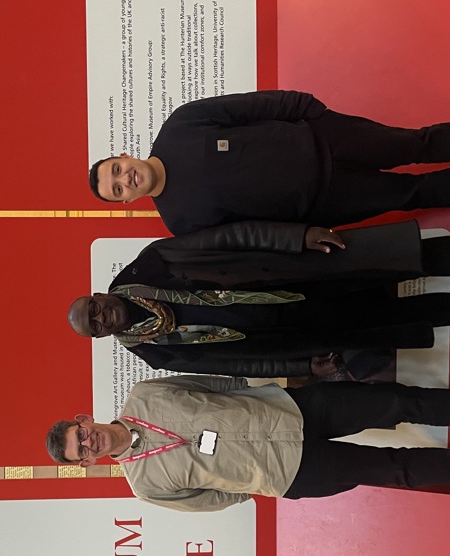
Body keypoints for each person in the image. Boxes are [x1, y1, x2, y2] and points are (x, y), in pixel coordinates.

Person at [68, 220, 450, 377]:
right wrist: (302, 365)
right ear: (102, 337)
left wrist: (294, 237)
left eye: (94, 309)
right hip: (297, 332)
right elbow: (240, 365)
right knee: (397, 317)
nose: (103, 318)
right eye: (97, 327)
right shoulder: (153, 352)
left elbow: (229, 238)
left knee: (401, 262)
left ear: (98, 293)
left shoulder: (152, 264)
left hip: (300, 275)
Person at [46, 376, 450, 510]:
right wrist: (253, 476)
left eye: (79, 434)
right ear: (88, 463)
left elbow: (214, 384)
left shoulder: (144, 394)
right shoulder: (145, 486)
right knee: (397, 469)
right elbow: (216, 499)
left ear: (84, 419)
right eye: (81, 450)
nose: (88, 442)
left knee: (397, 401)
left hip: (292, 409)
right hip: (291, 471)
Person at [89, 90, 450, 235]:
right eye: (118, 188)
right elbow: (250, 234)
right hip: (327, 202)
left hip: (327, 138)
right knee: (413, 195)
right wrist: (304, 233)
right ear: (126, 201)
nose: (126, 178)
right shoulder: (180, 221)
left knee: (415, 143)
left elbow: (252, 106)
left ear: (124, 156)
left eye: (117, 170)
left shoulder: (181, 124)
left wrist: (310, 110)